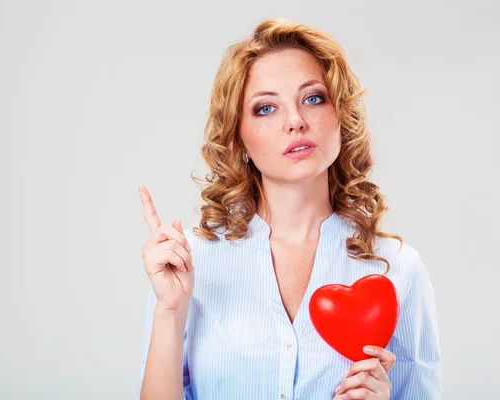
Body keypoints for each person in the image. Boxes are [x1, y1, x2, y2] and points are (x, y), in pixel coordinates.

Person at [136, 17, 442, 400]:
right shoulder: (189, 265)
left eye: (313, 98)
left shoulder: (398, 268)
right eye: (266, 108)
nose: (296, 121)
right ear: (239, 138)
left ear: (340, 118)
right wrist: (169, 310)